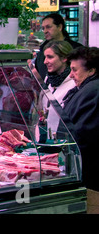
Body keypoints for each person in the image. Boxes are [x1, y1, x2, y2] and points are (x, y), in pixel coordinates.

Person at [61, 46, 99, 214]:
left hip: (90, 171)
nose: (70, 75)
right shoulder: (87, 88)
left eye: (75, 70)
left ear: (91, 70)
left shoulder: (94, 91)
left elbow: (84, 134)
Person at [37, 40, 75, 136]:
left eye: (50, 57)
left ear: (64, 58)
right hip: (49, 139)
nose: (45, 62)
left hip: (66, 140)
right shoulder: (48, 80)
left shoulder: (74, 82)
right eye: (45, 57)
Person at [32, 13, 83, 83]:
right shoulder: (42, 52)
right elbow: (40, 74)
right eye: (43, 28)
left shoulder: (76, 49)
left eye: (48, 27)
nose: (45, 31)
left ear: (60, 27)